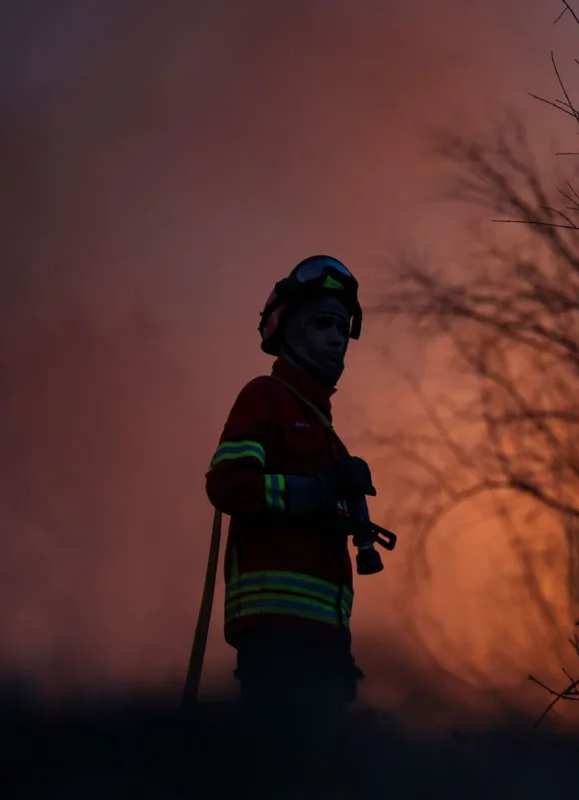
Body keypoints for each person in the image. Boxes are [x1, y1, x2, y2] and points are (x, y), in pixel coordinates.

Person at [204, 255, 377, 788]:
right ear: (288, 330)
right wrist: (318, 490)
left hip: (325, 644)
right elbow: (228, 484)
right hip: (276, 643)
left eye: (342, 329)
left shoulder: (328, 433)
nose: (335, 340)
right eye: (321, 324)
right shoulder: (266, 398)